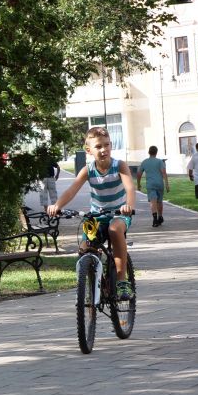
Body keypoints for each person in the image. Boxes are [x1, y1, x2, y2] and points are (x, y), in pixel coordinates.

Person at [47, 127, 136, 300]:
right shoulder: (88, 170)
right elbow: (72, 191)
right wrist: (57, 205)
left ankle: (121, 281)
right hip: (97, 216)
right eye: (98, 147)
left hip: (119, 214)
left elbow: (130, 188)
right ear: (89, 150)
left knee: (114, 229)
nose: (104, 150)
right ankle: (94, 286)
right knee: (85, 249)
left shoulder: (120, 166)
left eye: (107, 145)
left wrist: (128, 206)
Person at [137, 145, 170, 227]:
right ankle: (160, 216)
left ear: (149, 152)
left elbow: (139, 174)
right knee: (159, 201)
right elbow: (164, 173)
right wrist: (167, 184)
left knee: (153, 201)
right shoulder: (160, 162)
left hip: (150, 185)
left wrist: (138, 184)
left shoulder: (144, 162)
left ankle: (155, 219)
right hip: (159, 184)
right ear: (156, 152)